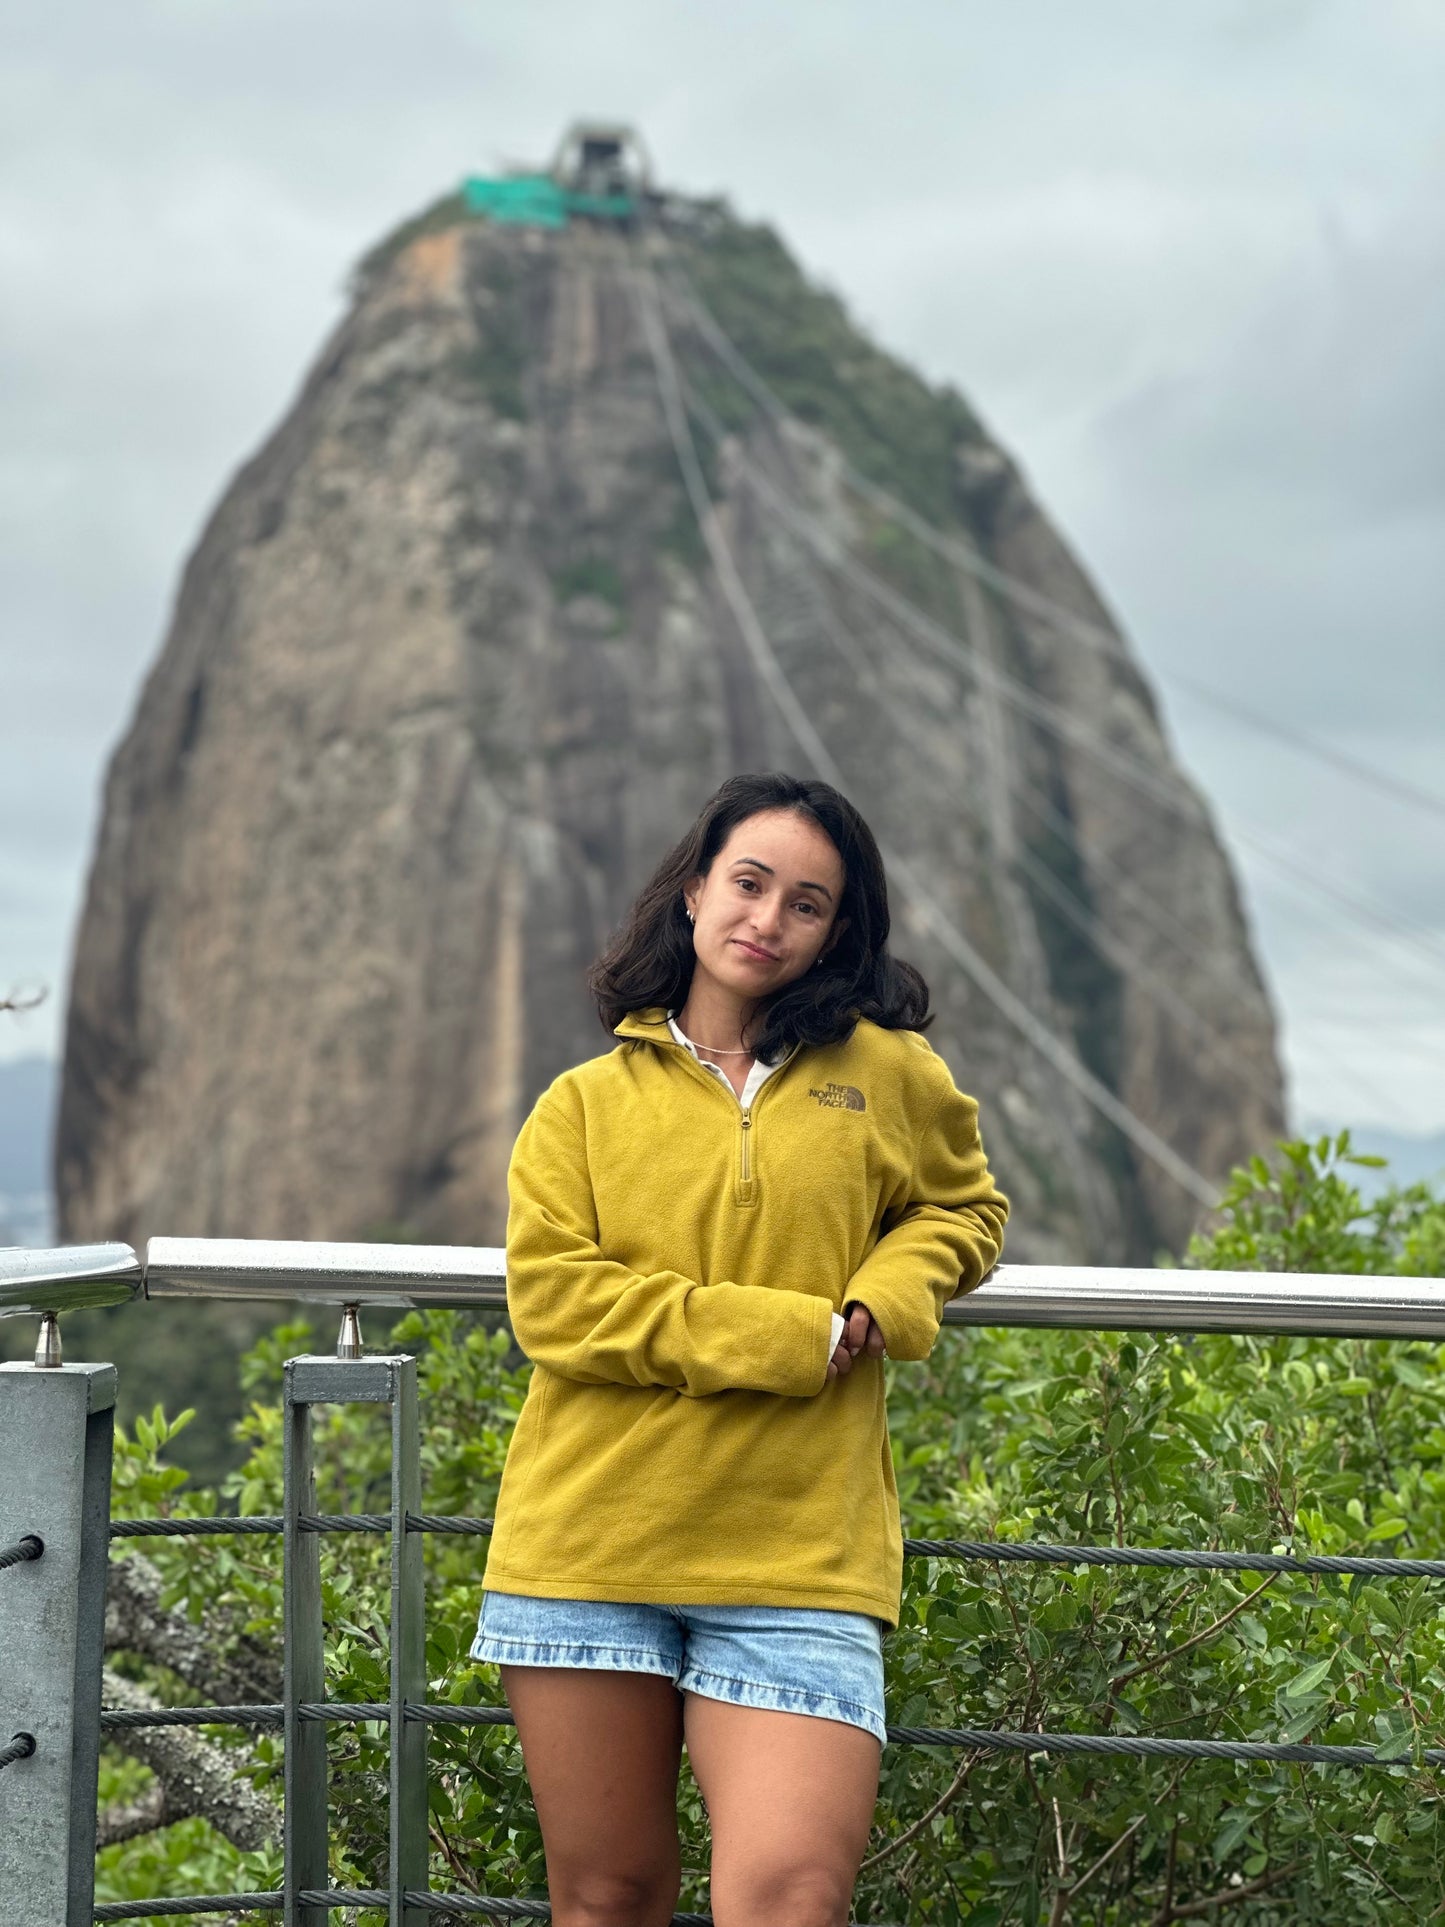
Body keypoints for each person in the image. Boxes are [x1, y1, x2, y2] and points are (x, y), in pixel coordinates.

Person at [471, 772, 1008, 1927]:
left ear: (835, 933)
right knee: (608, 1895)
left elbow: (963, 1210)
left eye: (805, 903)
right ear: (693, 891)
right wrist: (785, 1332)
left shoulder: (887, 1073)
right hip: (589, 1543)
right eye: (748, 883)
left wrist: (887, 1294)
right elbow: (557, 1306)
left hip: (798, 1553)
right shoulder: (580, 1105)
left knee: (789, 1894)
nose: (766, 919)